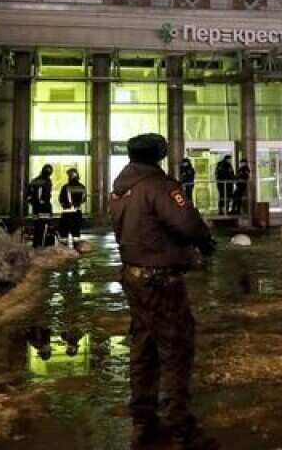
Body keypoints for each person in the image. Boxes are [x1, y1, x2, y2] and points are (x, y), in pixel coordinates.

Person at [110, 133, 217, 450]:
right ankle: (178, 425)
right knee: (176, 347)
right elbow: (187, 222)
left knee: (144, 346)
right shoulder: (160, 185)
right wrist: (203, 241)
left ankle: (143, 418)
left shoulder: (121, 189)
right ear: (159, 154)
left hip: (133, 274)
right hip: (161, 278)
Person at [26, 165, 55, 248]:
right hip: (44, 208)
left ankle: (36, 244)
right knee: (45, 227)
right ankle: (42, 245)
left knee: (37, 227)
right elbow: (46, 195)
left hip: (36, 209)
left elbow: (28, 196)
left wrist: (34, 203)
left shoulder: (34, 180)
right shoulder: (47, 181)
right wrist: (43, 203)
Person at [57, 168, 87, 246]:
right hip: (77, 213)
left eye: (69, 175)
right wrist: (77, 204)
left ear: (71, 176)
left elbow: (60, 199)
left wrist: (65, 204)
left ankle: (64, 250)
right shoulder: (82, 187)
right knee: (76, 233)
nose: (68, 177)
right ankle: (77, 249)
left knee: (64, 233)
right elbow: (84, 199)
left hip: (67, 213)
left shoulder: (65, 187)